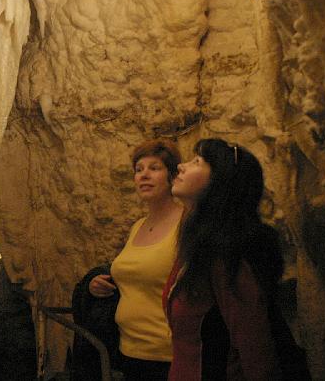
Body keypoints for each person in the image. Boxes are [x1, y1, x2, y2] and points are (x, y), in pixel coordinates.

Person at [163, 138, 286, 380]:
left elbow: (254, 348)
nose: (181, 166)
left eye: (197, 161)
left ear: (220, 181)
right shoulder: (198, 246)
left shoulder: (226, 256)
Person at [87, 139, 183, 380]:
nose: (144, 175)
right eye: (139, 170)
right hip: (129, 350)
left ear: (172, 176)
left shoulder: (186, 225)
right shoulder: (138, 226)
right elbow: (137, 276)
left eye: (154, 168)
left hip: (169, 355)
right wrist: (98, 285)